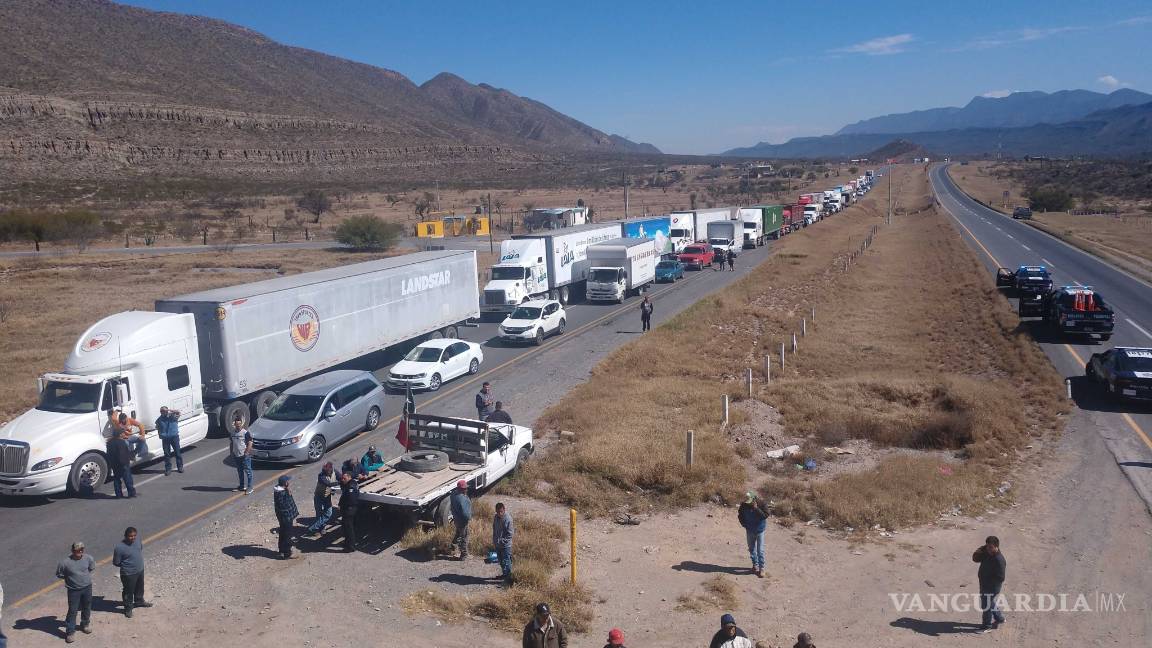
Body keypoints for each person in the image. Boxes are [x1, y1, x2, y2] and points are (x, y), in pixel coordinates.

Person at [56, 542, 95, 643]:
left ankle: (85, 625)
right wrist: (71, 579)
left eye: (81, 549)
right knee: (73, 611)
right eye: (77, 550)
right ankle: (70, 632)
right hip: (73, 591)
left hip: (87, 588)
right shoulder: (65, 563)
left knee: (87, 607)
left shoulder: (88, 558)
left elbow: (91, 568)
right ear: (72, 550)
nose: (80, 551)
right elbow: (59, 574)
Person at [112, 527, 151, 617]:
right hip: (128, 574)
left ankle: (139, 601)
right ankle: (128, 608)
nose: (133, 538)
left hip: (140, 570)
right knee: (128, 592)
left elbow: (139, 549)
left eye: (134, 536)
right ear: (125, 536)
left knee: (140, 588)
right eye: (130, 536)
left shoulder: (137, 541)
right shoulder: (119, 548)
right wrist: (128, 566)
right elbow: (116, 562)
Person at [973, 535, 1006, 632]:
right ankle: (1000, 618)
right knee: (990, 602)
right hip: (985, 584)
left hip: (991, 587)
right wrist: (982, 548)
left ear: (997, 546)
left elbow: (1001, 577)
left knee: (986, 606)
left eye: (991, 547)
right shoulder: (987, 553)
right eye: (987, 547)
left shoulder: (999, 560)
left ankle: (987, 626)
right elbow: (975, 559)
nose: (988, 549)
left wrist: (988, 580)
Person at [737, 492, 769, 578]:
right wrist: (744, 525)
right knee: (751, 549)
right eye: (748, 501)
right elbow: (740, 515)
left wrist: (756, 508)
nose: (749, 503)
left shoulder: (762, 503)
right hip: (750, 530)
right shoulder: (744, 505)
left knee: (760, 550)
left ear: (754, 498)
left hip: (760, 531)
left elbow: (765, 516)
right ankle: (755, 565)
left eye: (750, 501)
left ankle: (761, 569)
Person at [304, 462, 338, 536]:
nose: (326, 472)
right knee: (319, 514)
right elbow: (329, 484)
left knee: (328, 513)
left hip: (327, 496)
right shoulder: (321, 475)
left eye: (327, 470)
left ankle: (314, 527)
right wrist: (340, 482)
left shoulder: (335, 472)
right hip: (319, 497)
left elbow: (340, 477)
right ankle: (320, 529)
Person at [273, 475, 301, 560]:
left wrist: (287, 490)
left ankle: (282, 551)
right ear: (285, 483)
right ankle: (287, 553)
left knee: (282, 533)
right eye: (287, 481)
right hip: (286, 517)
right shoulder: (282, 494)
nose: (289, 482)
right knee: (287, 535)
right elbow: (284, 506)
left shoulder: (280, 490)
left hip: (282, 517)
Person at [106, 427, 136, 498]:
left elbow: (109, 454)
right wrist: (128, 460)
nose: (123, 434)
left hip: (114, 464)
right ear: (119, 434)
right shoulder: (121, 442)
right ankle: (131, 493)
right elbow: (122, 454)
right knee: (127, 478)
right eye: (122, 433)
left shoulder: (109, 443)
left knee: (116, 479)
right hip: (123, 463)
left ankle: (118, 494)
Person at [155, 406, 183, 475]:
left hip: (174, 437)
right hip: (165, 439)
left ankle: (180, 467)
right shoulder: (159, 419)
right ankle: (168, 469)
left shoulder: (172, 416)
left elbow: (178, 412)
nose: (163, 412)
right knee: (167, 454)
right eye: (162, 411)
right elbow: (157, 427)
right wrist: (161, 435)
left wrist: (169, 410)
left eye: (165, 411)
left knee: (177, 453)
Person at [229, 416, 253, 494]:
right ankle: (241, 486)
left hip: (244, 456)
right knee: (240, 471)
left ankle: (250, 487)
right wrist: (231, 452)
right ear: (234, 424)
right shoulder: (232, 433)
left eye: (239, 424)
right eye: (237, 424)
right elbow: (231, 443)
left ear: (241, 424)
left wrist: (246, 453)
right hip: (236, 455)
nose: (238, 425)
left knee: (248, 471)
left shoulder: (245, 433)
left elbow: (250, 443)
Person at [492, 502, 514, 586]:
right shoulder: (496, 517)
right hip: (498, 544)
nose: (499, 513)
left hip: (505, 546)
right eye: (497, 512)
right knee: (501, 561)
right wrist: (495, 539)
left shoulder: (508, 519)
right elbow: (494, 528)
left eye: (501, 511)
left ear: (504, 510)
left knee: (506, 561)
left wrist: (501, 541)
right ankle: (504, 575)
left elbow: (510, 534)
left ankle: (508, 580)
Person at [339, 471, 360, 552]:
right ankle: (347, 543)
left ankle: (351, 547)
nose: (342, 480)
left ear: (349, 477)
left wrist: (343, 505)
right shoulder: (351, 483)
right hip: (349, 509)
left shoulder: (351, 487)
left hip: (349, 509)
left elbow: (351, 500)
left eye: (344, 478)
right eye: (342, 478)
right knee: (345, 527)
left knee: (349, 529)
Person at [449, 480, 472, 560]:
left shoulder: (453, 494)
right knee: (464, 537)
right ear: (461, 489)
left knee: (458, 533)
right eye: (464, 488)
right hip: (462, 521)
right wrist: (468, 518)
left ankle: (452, 547)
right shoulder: (462, 499)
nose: (466, 489)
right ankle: (464, 554)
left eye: (466, 488)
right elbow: (465, 514)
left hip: (456, 519)